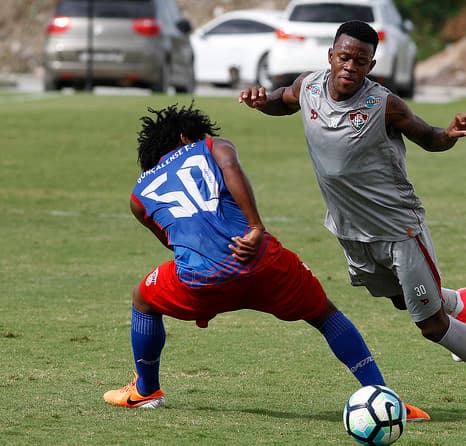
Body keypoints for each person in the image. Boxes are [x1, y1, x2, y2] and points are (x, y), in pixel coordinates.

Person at [238, 20, 466, 423]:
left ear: (371, 65)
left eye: (360, 62)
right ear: (331, 56)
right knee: (401, 299)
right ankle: (456, 301)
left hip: (399, 229)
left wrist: (449, 133)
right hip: (350, 230)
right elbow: (282, 99)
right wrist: (261, 101)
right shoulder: (309, 86)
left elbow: (427, 136)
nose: (350, 67)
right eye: (344, 57)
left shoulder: (384, 104)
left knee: (430, 325)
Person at [102, 103, 430, 422]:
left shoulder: (138, 195)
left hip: (202, 280)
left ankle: (146, 390)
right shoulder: (212, 146)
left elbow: (175, 244)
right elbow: (230, 165)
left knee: (143, 298)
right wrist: (255, 227)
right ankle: (384, 396)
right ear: (186, 138)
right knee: (325, 315)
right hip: (262, 261)